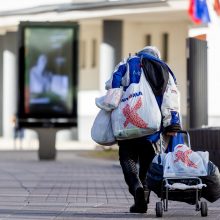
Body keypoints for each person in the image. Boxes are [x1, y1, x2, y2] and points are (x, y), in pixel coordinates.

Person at [105, 46, 182, 213]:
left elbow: (110, 85)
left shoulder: (126, 64)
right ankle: (144, 192)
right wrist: (172, 122)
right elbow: (171, 95)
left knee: (127, 159)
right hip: (151, 128)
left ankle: (136, 189)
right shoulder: (162, 67)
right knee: (147, 161)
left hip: (126, 126)